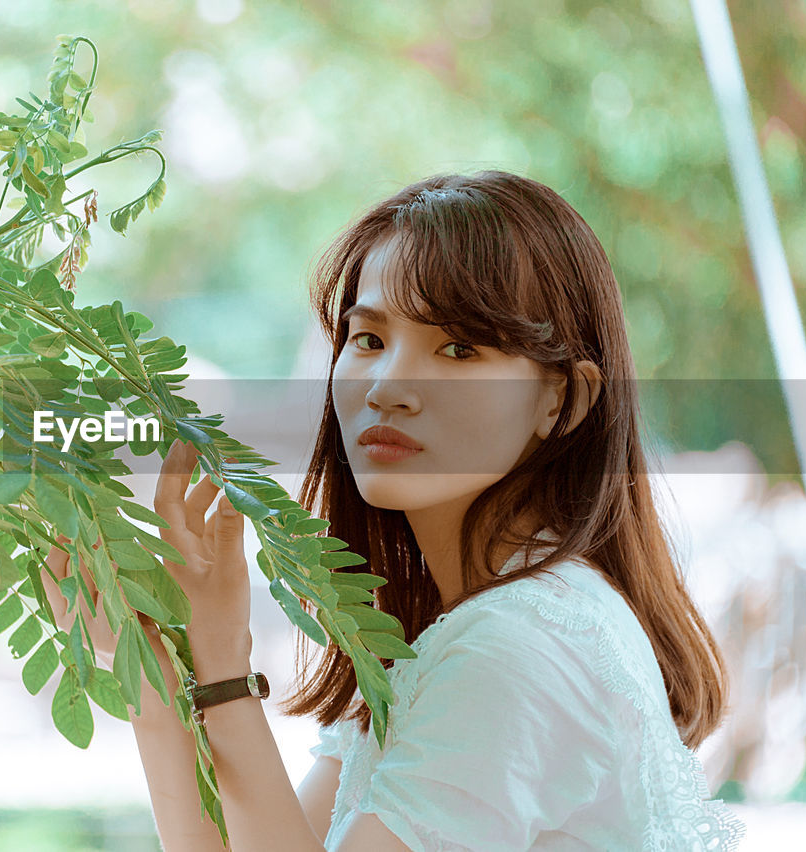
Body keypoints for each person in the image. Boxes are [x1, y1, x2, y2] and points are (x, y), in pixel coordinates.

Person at [41, 171, 749, 850]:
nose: (388, 386)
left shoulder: (511, 648)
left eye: (459, 348)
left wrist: (224, 660)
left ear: (561, 399)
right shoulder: (454, 633)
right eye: (370, 339)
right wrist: (157, 658)